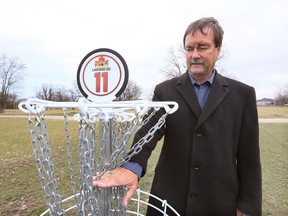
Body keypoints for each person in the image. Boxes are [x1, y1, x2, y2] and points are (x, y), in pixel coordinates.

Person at [92, 17, 262, 216]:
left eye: (203, 47)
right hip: (169, 199)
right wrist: (132, 168)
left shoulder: (242, 95)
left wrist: (248, 208)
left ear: (218, 50)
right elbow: (147, 134)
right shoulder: (165, 91)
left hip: (219, 200)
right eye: (189, 49)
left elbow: (249, 158)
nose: (195, 55)